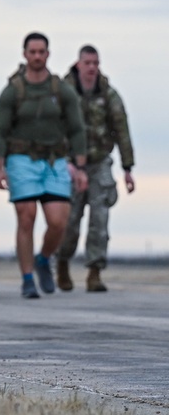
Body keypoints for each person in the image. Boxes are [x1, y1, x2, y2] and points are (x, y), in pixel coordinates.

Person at [0, 32, 86, 299]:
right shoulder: (13, 91)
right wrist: (0, 167)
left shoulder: (61, 90)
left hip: (55, 160)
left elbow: (77, 129)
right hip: (21, 160)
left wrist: (80, 167)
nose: (36, 56)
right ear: (24, 54)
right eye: (32, 52)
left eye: (41, 52)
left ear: (48, 54)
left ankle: (43, 259)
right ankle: (27, 278)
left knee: (58, 222)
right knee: (26, 215)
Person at [56, 45, 136, 293]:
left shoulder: (108, 95)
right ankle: (62, 263)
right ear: (78, 64)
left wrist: (127, 167)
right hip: (71, 163)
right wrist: (61, 160)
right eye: (87, 63)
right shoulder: (63, 92)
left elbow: (122, 129)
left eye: (95, 63)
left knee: (99, 220)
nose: (92, 68)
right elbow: (53, 126)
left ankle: (94, 272)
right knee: (70, 220)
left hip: (100, 162)